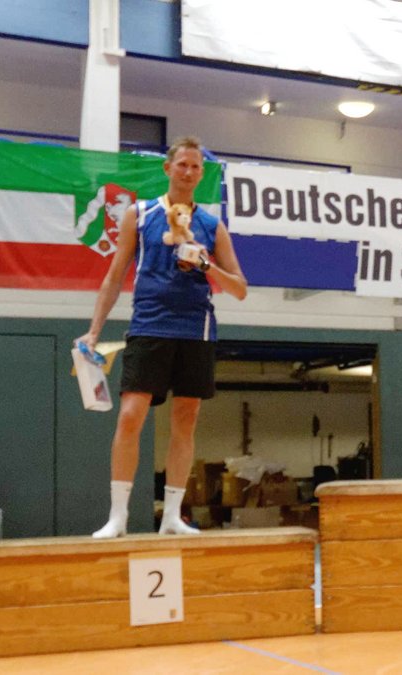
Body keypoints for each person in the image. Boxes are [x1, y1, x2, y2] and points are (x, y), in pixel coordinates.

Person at [80, 136, 248, 538]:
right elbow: (115, 275)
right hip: (149, 325)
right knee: (130, 416)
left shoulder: (212, 225)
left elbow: (240, 288)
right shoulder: (139, 214)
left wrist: (205, 263)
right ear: (167, 168)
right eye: (182, 164)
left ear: (202, 174)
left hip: (196, 329)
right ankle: (118, 516)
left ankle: (172, 516)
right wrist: (94, 329)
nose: (188, 171)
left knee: (185, 421)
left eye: (195, 166)